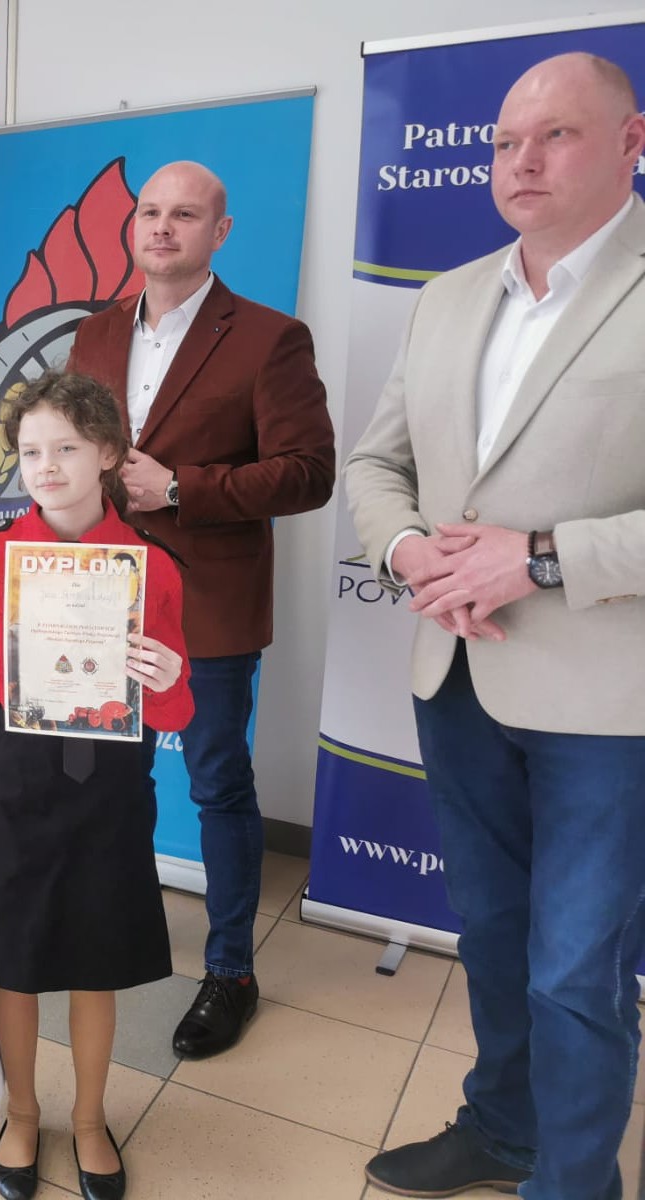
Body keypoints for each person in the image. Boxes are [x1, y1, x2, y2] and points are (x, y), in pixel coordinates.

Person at [346, 53, 645, 1200]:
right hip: (460, 678)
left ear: (630, 143)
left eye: (556, 135)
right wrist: (407, 548)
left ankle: (572, 1183)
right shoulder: (450, 296)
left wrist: (542, 555)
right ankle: (504, 1130)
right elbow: (378, 465)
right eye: (506, 142)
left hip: (606, 702)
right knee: (492, 934)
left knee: (576, 972)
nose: (522, 161)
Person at [66, 160, 334, 1059]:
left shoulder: (268, 337)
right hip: (103, 598)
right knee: (110, 778)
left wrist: (182, 486)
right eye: (149, 211)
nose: (161, 227)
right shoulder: (95, 333)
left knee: (216, 782)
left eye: (184, 214)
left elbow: (308, 473)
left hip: (207, 603)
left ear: (218, 232)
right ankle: (116, 929)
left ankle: (230, 972)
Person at [0, 370, 193, 1200]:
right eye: (31, 450)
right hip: (11, 783)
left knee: (94, 959)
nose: (45, 467)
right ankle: (20, 1112)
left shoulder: (151, 568)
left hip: (107, 789)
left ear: (108, 453)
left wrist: (169, 679)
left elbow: (174, 710)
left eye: (66, 449)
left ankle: (86, 1118)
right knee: (12, 960)